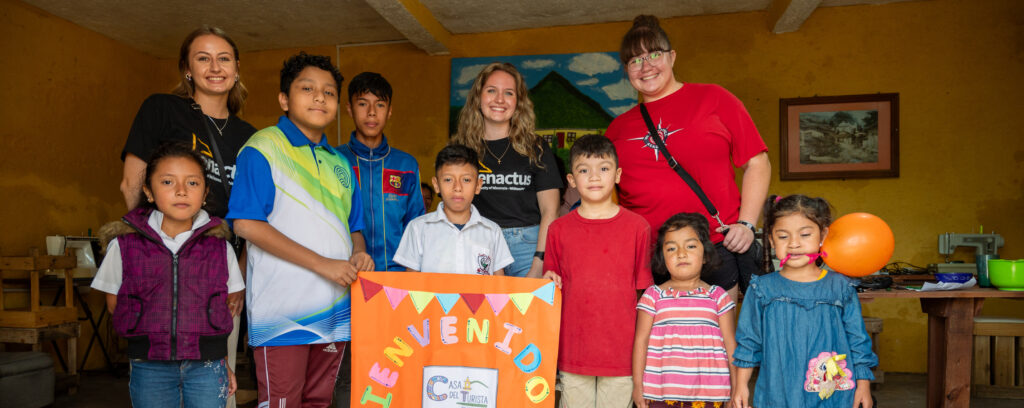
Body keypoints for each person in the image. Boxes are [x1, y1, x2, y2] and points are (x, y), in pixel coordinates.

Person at [227, 52, 373, 408]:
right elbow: (246, 223)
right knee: (282, 402)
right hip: (282, 314)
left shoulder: (341, 163)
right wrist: (323, 264)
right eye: (307, 88)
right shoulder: (264, 148)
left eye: (328, 92)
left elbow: (354, 226)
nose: (319, 97)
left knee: (319, 401)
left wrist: (360, 252)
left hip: (335, 312)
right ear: (284, 99)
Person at [119, 28, 255, 403]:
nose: (215, 67)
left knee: (215, 383)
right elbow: (132, 183)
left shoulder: (252, 138)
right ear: (187, 70)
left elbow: (252, 216)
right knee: (155, 376)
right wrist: (143, 250)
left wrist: (239, 273)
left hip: (217, 270)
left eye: (224, 58)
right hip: (161, 265)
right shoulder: (162, 109)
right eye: (203, 58)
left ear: (237, 69)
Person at [606, 15, 771, 300]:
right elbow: (606, 195)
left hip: (714, 247)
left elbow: (757, 161)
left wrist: (746, 224)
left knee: (718, 340)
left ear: (671, 57)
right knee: (659, 342)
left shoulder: (714, 98)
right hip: (650, 257)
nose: (645, 67)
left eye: (654, 55)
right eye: (635, 60)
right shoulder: (617, 128)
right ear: (626, 69)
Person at [93, 142, 243, 407]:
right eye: (167, 182)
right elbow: (115, 303)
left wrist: (223, 361)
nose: (182, 191)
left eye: (193, 183)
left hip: (207, 367)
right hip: (150, 365)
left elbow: (229, 305)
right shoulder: (125, 245)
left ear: (205, 193)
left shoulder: (220, 247)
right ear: (148, 192)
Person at [731, 195, 877, 408]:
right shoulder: (762, 289)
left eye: (805, 234)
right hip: (778, 394)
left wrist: (863, 386)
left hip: (833, 395)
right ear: (771, 240)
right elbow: (749, 342)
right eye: (782, 236)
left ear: (823, 235)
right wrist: (741, 386)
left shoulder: (841, 287)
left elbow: (858, 341)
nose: (794, 244)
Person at [541, 135, 653, 408]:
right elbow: (550, 286)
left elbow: (644, 298)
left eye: (603, 168)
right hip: (573, 351)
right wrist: (548, 281)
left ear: (617, 175)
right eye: (583, 170)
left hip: (621, 354)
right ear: (571, 180)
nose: (594, 177)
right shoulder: (558, 229)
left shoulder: (638, 228)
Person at [451, 62, 563, 278]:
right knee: (480, 312)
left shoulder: (536, 147)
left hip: (528, 247)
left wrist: (539, 263)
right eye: (491, 90)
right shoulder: (461, 149)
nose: (499, 100)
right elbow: (452, 208)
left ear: (518, 102)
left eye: (508, 93)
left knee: (527, 311)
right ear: (478, 97)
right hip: (479, 244)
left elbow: (551, 210)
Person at [632, 213, 736, 408]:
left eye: (690, 246)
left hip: (710, 395)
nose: (681, 253)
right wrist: (638, 386)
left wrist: (736, 389)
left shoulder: (718, 297)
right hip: (660, 394)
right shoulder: (653, 296)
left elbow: (731, 346)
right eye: (671, 248)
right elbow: (641, 342)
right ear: (662, 258)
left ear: (705, 255)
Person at [339, 72, 426, 272]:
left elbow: (417, 225)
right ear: (349, 109)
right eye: (362, 104)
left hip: (397, 276)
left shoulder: (406, 165)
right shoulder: (335, 161)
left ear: (389, 111)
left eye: (379, 104)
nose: (371, 112)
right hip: (345, 275)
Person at [393, 144, 513, 275]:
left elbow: (499, 285)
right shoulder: (418, 228)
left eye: (466, 180)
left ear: (478, 185)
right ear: (436, 185)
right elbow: (411, 283)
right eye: (448, 179)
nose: (457, 187)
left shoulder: (492, 231)